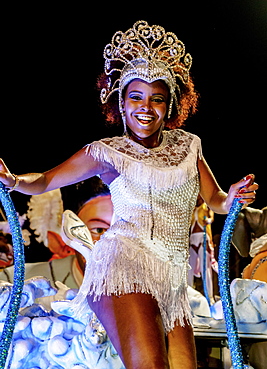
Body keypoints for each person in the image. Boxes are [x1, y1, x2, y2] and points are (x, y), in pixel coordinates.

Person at [0, 20, 258, 369]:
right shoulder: (106, 152)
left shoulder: (189, 146)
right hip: (123, 266)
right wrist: (14, 180)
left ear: (170, 106)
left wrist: (233, 197)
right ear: (121, 104)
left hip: (172, 278)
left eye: (157, 99)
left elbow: (215, 200)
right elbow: (45, 180)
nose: (145, 107)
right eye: (135, 97)